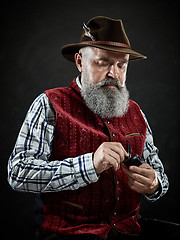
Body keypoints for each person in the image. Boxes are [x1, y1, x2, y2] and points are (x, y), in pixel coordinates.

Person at [8, 16, 175, 240]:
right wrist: (90, 165)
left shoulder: (136, 112)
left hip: (129, 231)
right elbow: (19, 173)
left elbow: (160, 177)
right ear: (79, 62)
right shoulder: (49, 104)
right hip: (68, 235)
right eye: (103, 62)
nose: (113, 74)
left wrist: (154, 184)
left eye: (121, 64)